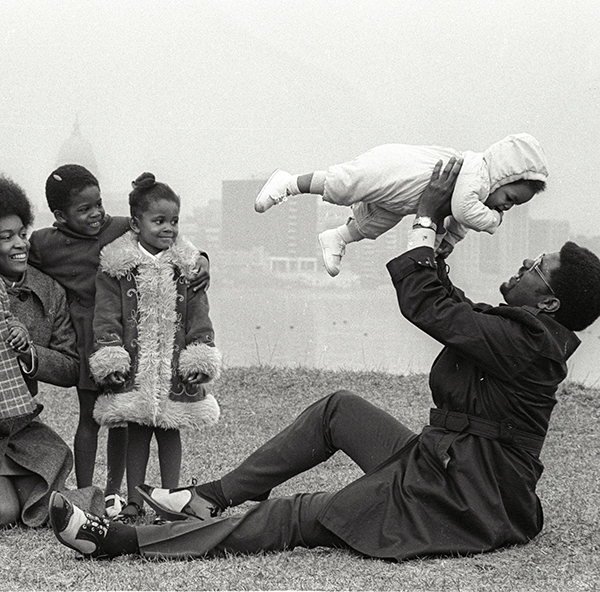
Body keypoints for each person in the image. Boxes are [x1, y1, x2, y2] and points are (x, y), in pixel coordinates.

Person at [49, 158, 600, 562]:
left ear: (550, 302)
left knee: (297, 515)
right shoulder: (525, 331)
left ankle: (121, 540)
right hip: (442, 465)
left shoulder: (531, 342)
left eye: (537, 265)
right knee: (339, 409)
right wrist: (438, 247)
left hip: (461, 498)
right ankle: (206, 498)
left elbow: (430, 307)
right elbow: (452, 307)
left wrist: (428, 219)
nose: (526, 264)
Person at [28, 165, 211, 518]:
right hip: (86, 337)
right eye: (84, 210)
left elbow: (166, 235)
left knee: (125, 415)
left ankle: (115, 492)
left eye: (98, 204)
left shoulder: (117, 226)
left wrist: (202, 258)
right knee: (89, 418)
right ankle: (86, 493)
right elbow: (18, 261)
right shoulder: (44, 243)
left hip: (129, 336)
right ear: (59, 216)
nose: (96, 213)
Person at [86, 172, 222, 523]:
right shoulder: (117, 267)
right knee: (137, 430)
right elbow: (106, 317)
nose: (169, 228)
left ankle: (171, 498)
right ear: (136, 223)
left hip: (174, 366)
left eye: (174, 220)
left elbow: (198, 314)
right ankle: (134, 500)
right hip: (135, 368)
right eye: (159, 220)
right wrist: (111, 354)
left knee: (170, 428)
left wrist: (199, 354)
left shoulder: (187, 266)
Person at [255, 133, 548, 276]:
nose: (505, 208)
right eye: (509, 198)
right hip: (393, 170)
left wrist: (451, 242)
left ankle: (337, 237)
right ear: (503, 174)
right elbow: (462, 211)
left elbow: (458, 222)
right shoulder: (478, 171)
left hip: (404, 201)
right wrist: (493, 223)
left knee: (375, 224)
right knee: (344, 186)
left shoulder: (479, 191)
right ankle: (289, 183)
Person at [0, 175, 81, 527]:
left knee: (45, 501)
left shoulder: (48, 291)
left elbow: (70, 367)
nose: (19, 244)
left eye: (21, 233)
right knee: (4, 513)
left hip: (18, 430)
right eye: (5, 238)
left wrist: (28, 354)